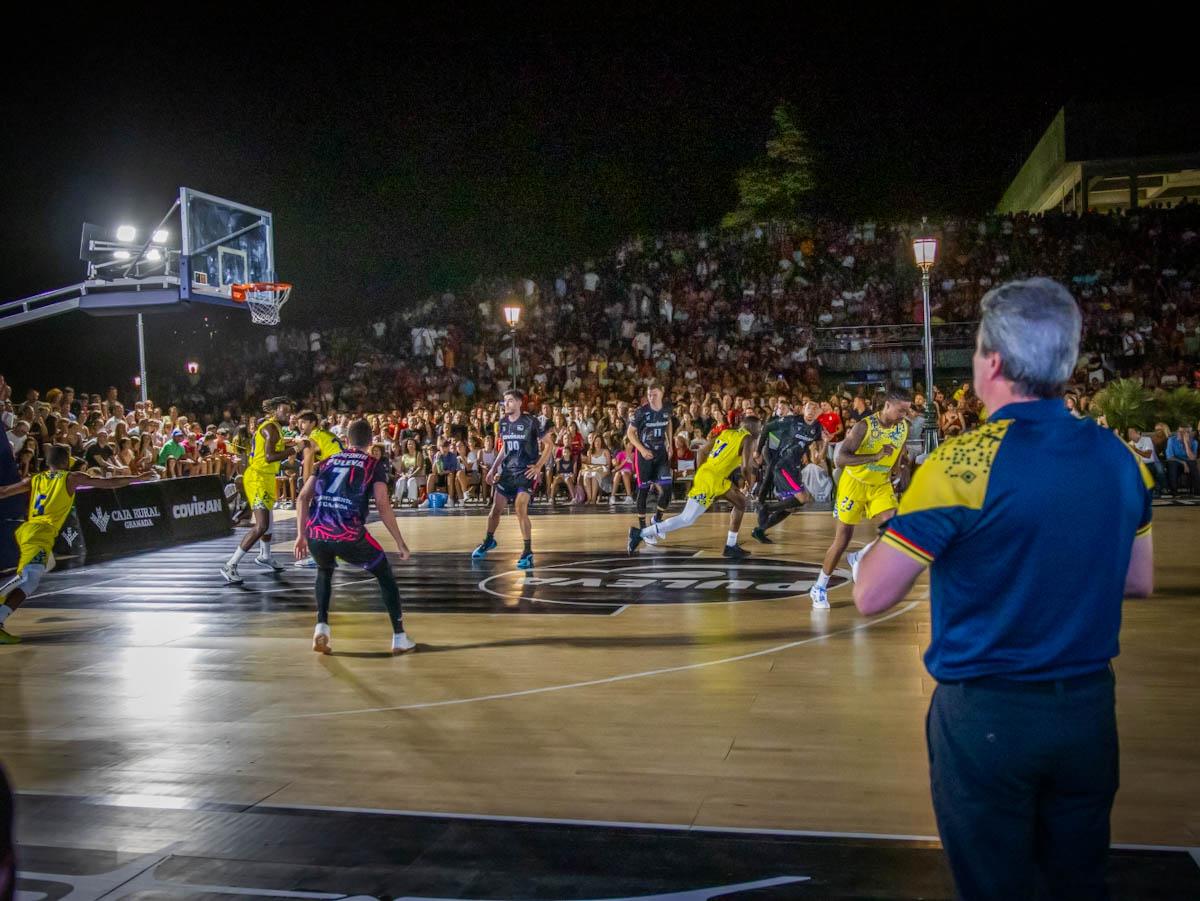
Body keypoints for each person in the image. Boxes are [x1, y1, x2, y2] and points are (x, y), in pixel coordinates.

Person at [851, 278, 1155, 900]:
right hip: (1088, 710)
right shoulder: (1120, 457)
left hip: (989, 715)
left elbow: (872, 596)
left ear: (991, 363)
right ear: (1065, 362)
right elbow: (1138, 579)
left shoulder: (960, 464)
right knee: (1077, 882)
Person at [0, 444, 152, 643]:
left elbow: (3, 492)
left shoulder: (35, 478)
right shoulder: (71, 477)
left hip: (30, 530)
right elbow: (107, 483)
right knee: (28, 575)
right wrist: (136, 478)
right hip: (40, 532)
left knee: (30, 581)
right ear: (66, 460)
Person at [293, 418, 415, 656]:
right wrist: (400, 541)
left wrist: (301, 535)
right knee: (384, 574)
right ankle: (399, 636)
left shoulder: (326, 461)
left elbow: (302, 498)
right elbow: (382, 503)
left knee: (324, 571)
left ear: (346, 440)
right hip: (348, 533)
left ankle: (322, 627)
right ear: (371, 442)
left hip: (317, 532)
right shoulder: (372, 464)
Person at [810, 386, 912, 610]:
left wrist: (900, 468)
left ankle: (861, 557)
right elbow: (840, 459)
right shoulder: (864, 426)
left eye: (907, 411)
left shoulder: (903, 426)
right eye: (901, 411)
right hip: (854, 484)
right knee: (842, 539)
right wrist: (874, 456)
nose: (904, 416)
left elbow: (900, 450)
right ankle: (819, 587)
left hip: (880, 484)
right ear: (887, 405)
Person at [627, 416, 761, 559]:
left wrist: (702, 473)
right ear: (751, 427)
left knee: (740, 502)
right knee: (686, 519)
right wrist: (748, 483)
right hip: (712, 480)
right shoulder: (749, 439)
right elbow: (746, 467)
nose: (760, 430)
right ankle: (640, 533)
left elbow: (702, 451)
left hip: (711, 476)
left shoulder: (727, 433)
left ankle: (731, 545)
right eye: (759, 426)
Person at [472, 390, 555, 569]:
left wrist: (539, 466)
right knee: (495, 510)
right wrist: (494, 468)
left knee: (519, 507)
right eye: (504, 401)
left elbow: (549, 444)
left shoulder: (530, 421)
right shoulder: (502, 423)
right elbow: (504, 448)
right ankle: (489, 540)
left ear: (519, 403)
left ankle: (527, 551)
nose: (506, 404)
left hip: (526, 472)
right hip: (508, 472)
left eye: (510, 401)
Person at [221, 397, 295, 583]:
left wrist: (290, 444)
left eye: (289, 411)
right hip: (258, 477)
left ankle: (265, 555)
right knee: (261, 525)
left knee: (269, 522)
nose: (288, 414)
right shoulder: (270, 428)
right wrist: (293, 450)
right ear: (274, 412)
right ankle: (230, 565)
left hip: (267, 477)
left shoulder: (274, 428)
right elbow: (270, 457)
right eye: (284, 411)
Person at [752, 400, 823, 543]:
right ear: (803, 409)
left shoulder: (817, 428)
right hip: (782, 465)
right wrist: (758, 451)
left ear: (819, 413)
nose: (812, 410)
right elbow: (767, 428)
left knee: (790, 507)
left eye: (816, 408)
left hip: (794, 468)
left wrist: (825, 443)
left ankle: (760, 530)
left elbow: (817, 455)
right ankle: (766, 507)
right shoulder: (791, 421)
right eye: (809, 407)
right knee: (803, 498)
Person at [293, 410, 345, 568]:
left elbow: (307, 463)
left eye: (303, 422)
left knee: (304, 502)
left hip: (334, 473)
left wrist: (306, 483)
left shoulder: (311, 438)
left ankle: (319, 555)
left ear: (313, 423)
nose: (300, 426)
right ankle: (335, 553)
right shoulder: (325, 434)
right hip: (344, 471)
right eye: (298, 423)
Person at [626, 383, 674, 531]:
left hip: (661, 455)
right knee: (644, 490)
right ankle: (642, 528)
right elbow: (630, 433)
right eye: (649, 395)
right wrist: (641, 449)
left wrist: (669, 443)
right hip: (644, 456)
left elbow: (668, 423)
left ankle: (657, 519)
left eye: (654, 394)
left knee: (667, 488)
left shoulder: (667, 409)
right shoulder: (641, 412)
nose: (651, 398)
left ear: (662, 393)